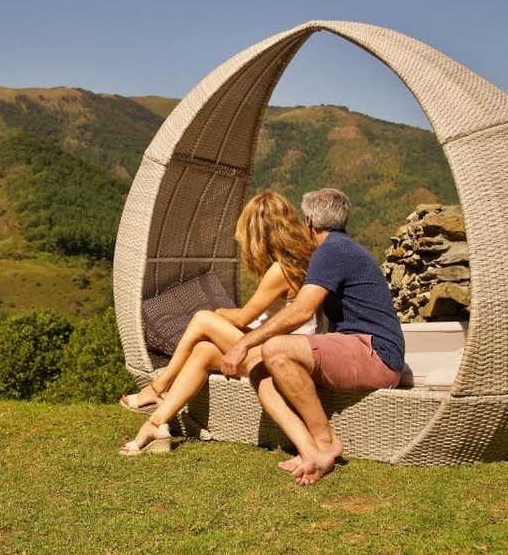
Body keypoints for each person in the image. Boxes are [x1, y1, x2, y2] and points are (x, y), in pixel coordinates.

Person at [221, 188, 405, 485]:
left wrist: (243, 343)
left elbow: (301, 311)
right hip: (362, 349)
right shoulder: (341, 248)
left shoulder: (331, 251)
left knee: (275, 349)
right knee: (258, 367)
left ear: (309, 222)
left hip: (375, 352)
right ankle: (308, 448)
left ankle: (325, 443)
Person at [119, 191, 317, 455]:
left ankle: (157, 388)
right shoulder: (300, 262)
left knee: (202, 319)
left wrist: (218, 314)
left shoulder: (279, 271)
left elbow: (244, 317)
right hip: (288, 348)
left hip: (279, 356)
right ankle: (155, 424)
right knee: (203, 351)